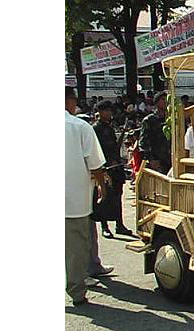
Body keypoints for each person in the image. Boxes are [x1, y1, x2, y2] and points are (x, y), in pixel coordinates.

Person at [65, 87, 107, 306]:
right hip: (73, 200)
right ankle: (76, 292)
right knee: (76, 248)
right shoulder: (80, 126)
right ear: (70, 102)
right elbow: (95, 164)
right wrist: (101, 186)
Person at [92, 100, 132, 238]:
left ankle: (119, 225)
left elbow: (115, 147)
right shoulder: (95, 129)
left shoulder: (109, 128)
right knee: (104, 196)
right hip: (105, 167)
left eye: (110, 110)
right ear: (100, 112)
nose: (109, 113)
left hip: (116, 167)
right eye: (106, 110)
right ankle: (105, 227)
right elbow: (96, 150)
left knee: (118, 196)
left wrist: (124, 132)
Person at [139, 92, 171, 174]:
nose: (165, 102)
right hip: (156, 162)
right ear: (156, 102)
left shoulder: (171, 120)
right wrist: (151, 159)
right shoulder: (149, 120)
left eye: (166, 99)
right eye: (162, 99)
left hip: (170, 160)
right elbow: (143, 143)